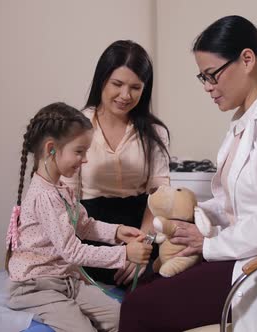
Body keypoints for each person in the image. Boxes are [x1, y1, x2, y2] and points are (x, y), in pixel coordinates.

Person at [119, 15, 257, 332]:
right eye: (203, 78)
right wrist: (196, 215)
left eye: (212, 75)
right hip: (251, 252)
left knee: (138, 308)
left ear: (247, 59)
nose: (209, 88)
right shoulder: (244, 121)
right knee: (146, 283)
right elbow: (233, 202)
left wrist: (208, 245)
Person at [5, 102, 153, 332]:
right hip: (36, 287)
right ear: (51, 149)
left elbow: (84, 225)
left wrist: (116, 231)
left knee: (119, 318)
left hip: (65, 280)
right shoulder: (43, 197)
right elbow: (72, 251)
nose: (84, 159)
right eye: (79, 151)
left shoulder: (62, 189)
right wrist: (124, 253)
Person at [62, 40, 170, 287]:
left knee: (161, 282)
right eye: (117, 84)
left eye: (135, 87)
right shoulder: (76, 127)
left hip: (142, 229)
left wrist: (141, 247)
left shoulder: (155, 132)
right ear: (102, 80)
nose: (125, 95)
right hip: (92, 230)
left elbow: (158, 195)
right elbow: (65, 199)